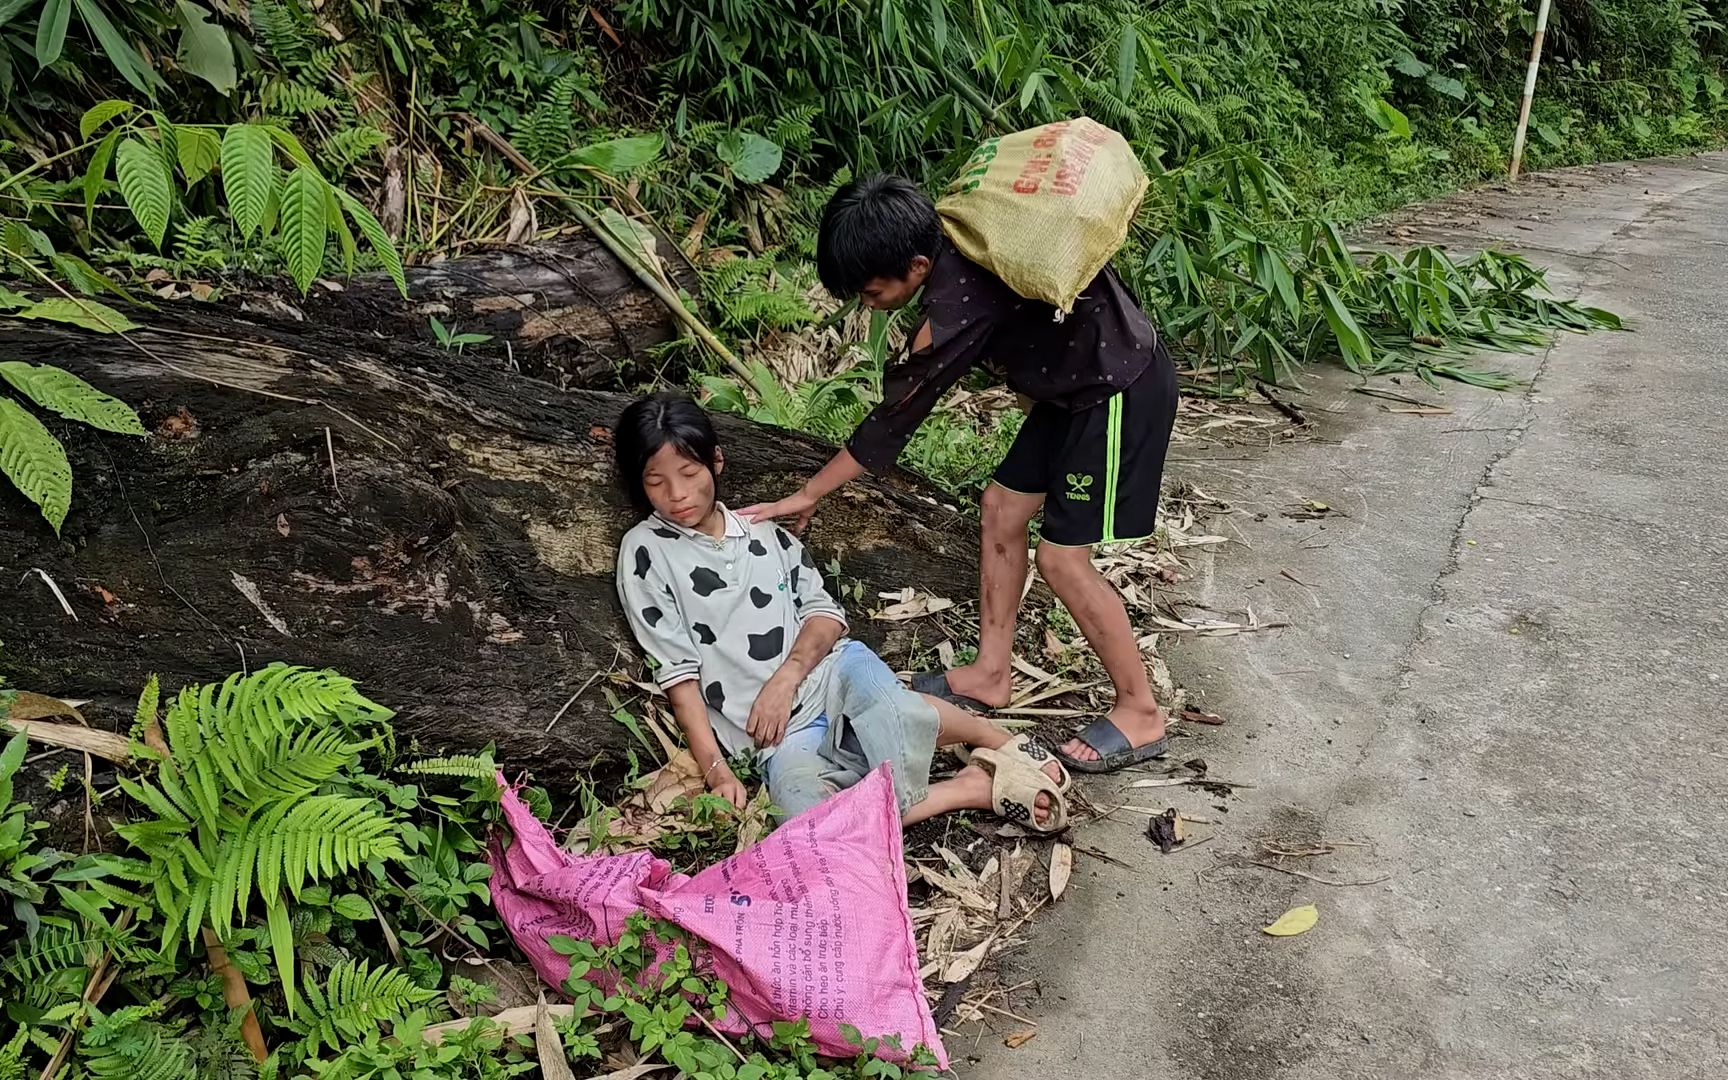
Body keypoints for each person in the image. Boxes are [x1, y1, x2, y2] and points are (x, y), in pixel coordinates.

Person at [740, 174, 1177, 774]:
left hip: (1116, 391)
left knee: (1061, 559)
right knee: (1001, 507)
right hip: (1071, 390)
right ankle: (990, 672)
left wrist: (812, 490)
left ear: (917, 264)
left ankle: (1140, 709)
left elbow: (895, 420)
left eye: (871, 292)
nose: (868, 305)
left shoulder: (957, 306)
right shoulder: (962, 233)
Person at [612, 391, 1068, 828]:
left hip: (833, 676)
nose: (677, 493)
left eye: (690, 473)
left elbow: (825, 615)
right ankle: (967, 789)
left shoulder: (764, 533)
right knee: (805, 817)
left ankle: (993, 739)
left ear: (716, 461)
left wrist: (787, 677)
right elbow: (679, 675)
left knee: (891, 709)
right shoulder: (647, 553)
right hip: (777, 739)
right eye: (656, 481)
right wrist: (718, 771)